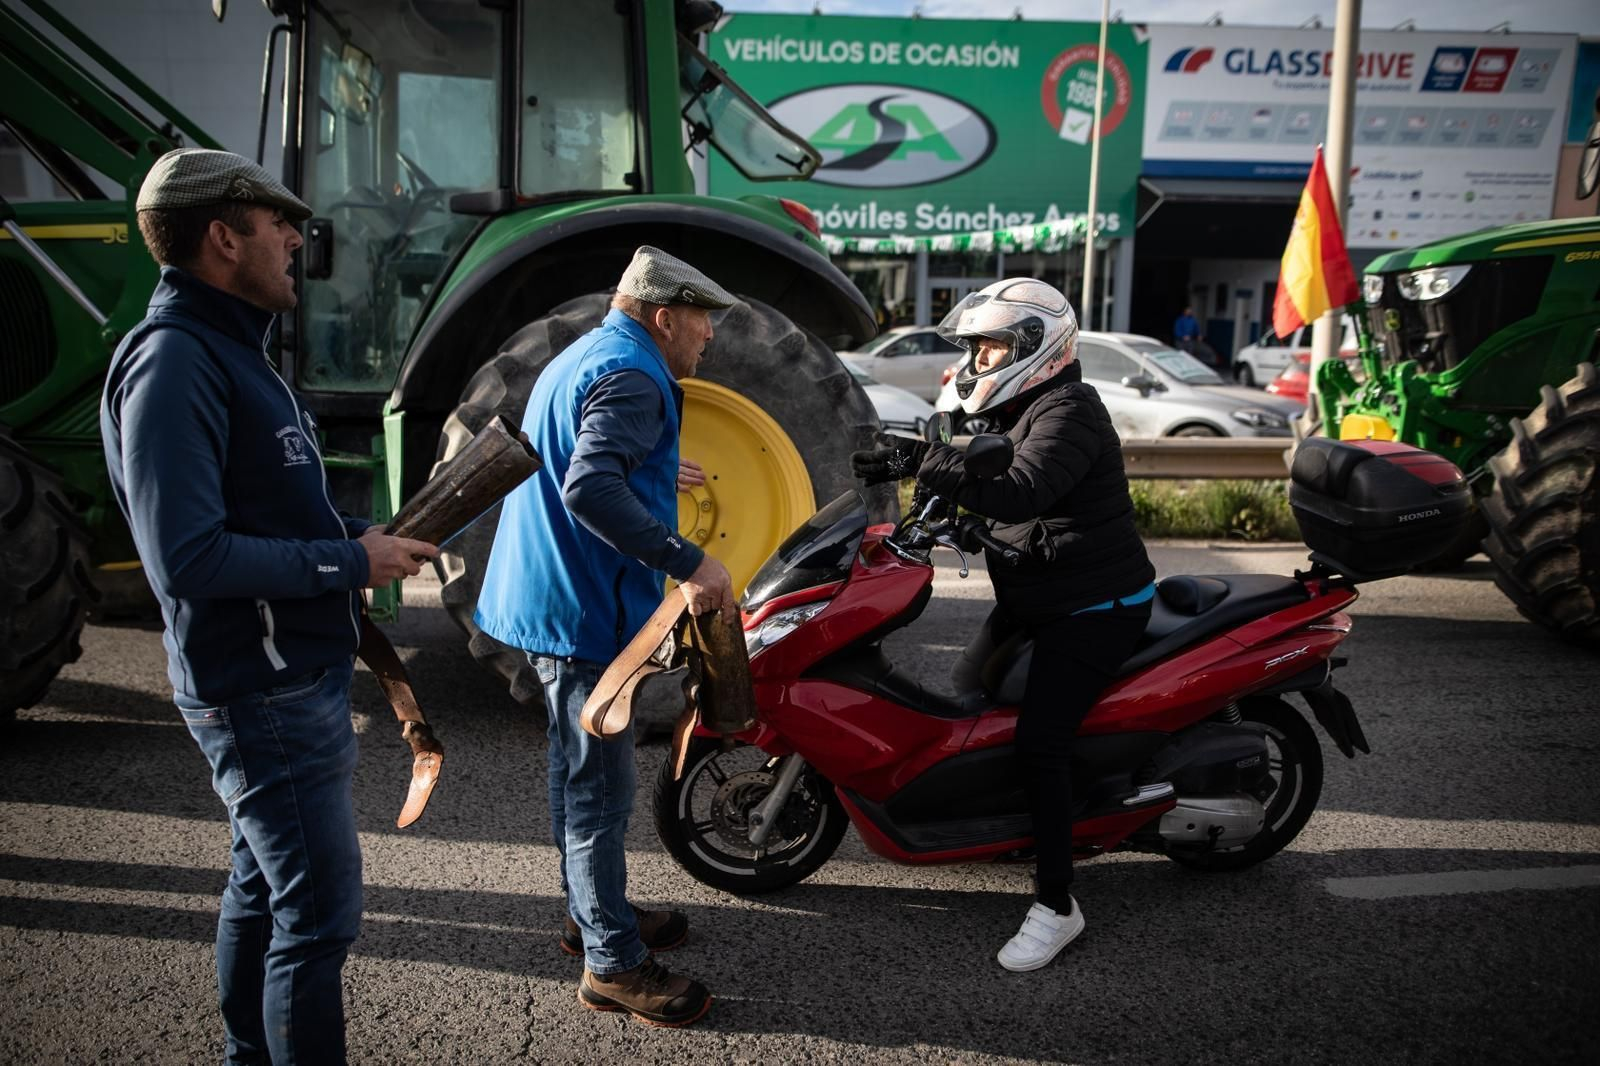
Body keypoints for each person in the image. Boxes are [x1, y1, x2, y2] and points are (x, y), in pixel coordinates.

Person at [99, 148, 438, 1064]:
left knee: (262, 887)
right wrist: (344, 562)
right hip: (264, 690)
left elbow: (261, 507)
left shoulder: (225, 352)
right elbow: (188, 557)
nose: (297, 237)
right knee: (318, 919)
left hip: (287, 679)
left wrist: (363, 537)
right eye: (275, 222)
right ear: (221, 237)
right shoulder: (176, 364)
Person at [850, 278, 1155, 973]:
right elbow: (992, 492)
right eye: (978, 347)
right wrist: (932, 513)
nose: (980, 361)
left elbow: (1023, 489)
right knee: (967, 704)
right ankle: (1001, 825)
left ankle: (1056, 904)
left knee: (1038, 744)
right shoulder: (1020, 406)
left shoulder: (1070, 408)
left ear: (1034, 347)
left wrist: (916, 457)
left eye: (990, 346)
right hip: (1038, 595)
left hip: (1093, 607)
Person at [474, 245, 736, 1028]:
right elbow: (589, 484)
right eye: (700, 319)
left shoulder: (590, 352)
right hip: (583, 612)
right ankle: (613, 964)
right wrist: (688, 561)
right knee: (598, 790)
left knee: (572, 770)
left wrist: (657, 468)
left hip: (549, 599)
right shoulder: (633, 373)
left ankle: (591, 914)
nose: (708, 336)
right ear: (664, 316)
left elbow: (583, 455)